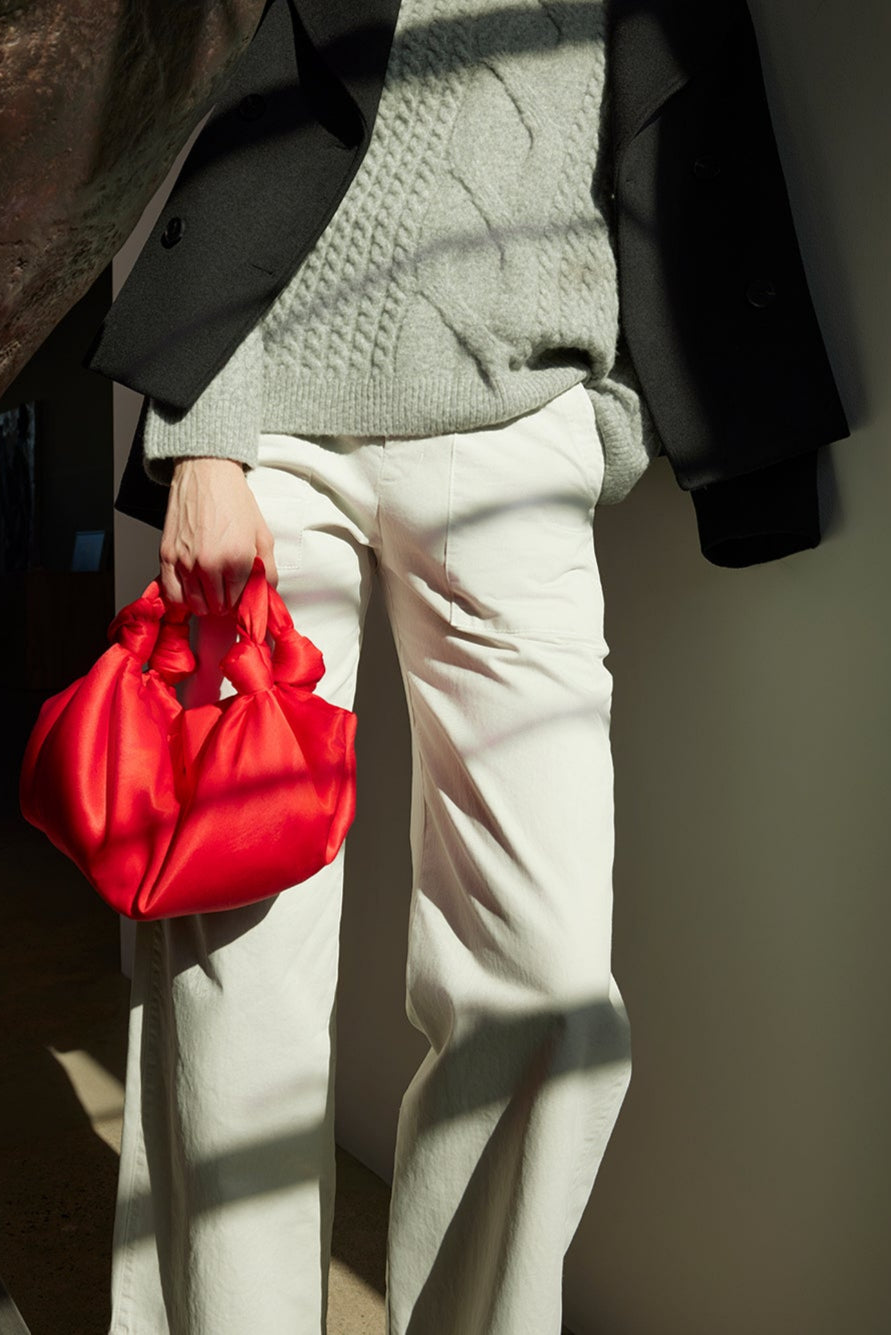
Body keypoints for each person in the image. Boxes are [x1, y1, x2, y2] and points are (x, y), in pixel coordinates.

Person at [89, 0, 848, 1331]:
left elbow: (696, 141)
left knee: (547, 980)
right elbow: (223, 117)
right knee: (237, 963)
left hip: (514, 435)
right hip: (273, 439)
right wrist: (200, 435)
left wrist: (598, 425)